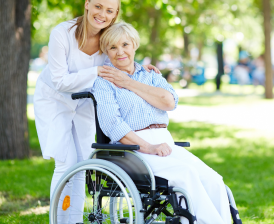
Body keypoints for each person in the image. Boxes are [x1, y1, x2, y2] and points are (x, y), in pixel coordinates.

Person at [33, 0, 159, 224]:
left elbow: (121, 56)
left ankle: (74, 220)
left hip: (84, 101)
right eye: (98, 6)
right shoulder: (62, 33)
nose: (102, 14)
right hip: (54, 100)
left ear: (116, 13)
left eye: (110, 10)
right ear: (87, 5)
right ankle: (58, 221)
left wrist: (142, 68)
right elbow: (60, 81)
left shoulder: (109, 37)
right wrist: (96, 71)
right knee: (65, 162)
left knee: (84, 163)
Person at [92, 22, 232, 224]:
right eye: (113, 47)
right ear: (106, 51)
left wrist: (127, 83)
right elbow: (112, 124)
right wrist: (149, 147)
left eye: (125, 45)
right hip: (132, 149)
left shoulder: (151, 75)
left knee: (214, 180)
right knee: (186, 175)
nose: (120, 52)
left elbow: (169, 102)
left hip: (165, 142)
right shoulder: (104, 82)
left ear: (134, 45)